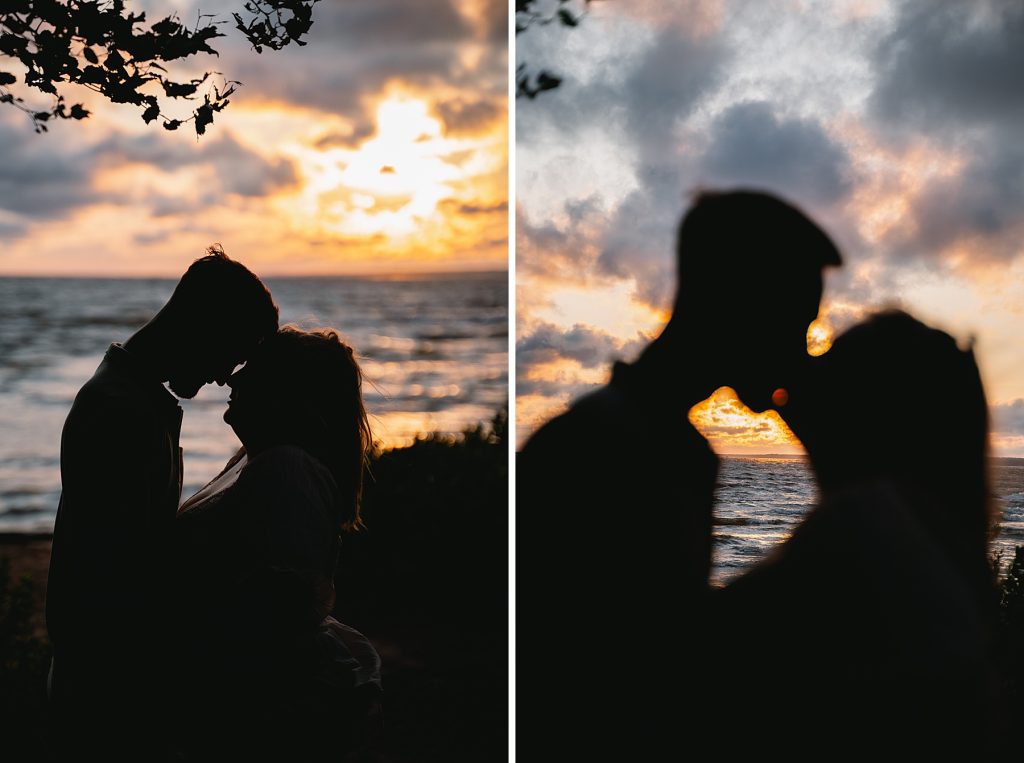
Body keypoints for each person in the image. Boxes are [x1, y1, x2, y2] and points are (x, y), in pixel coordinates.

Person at [516, 189, 841, 754]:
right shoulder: (616, 448)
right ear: (744, 305)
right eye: (798, 325)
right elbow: (646, 679)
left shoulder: (660, 442)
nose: (804, 353)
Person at [711, 311, 999, 757]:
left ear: (861, 413)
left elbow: (694, 653)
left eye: (834, 378)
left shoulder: (865, 530)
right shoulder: (946, 552)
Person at [45, 247, 279, 758]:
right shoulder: (119, 411)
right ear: (202, 326)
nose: (224, 376)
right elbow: (118, 578)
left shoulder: (134, 400)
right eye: (231, 352)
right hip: (103, 688)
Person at [170, 327, 382, 762]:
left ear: (287, 392)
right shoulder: (255, 458)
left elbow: (281, 615)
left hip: (245, 716)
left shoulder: (288, 471)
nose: (233, 379)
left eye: (254, 370)